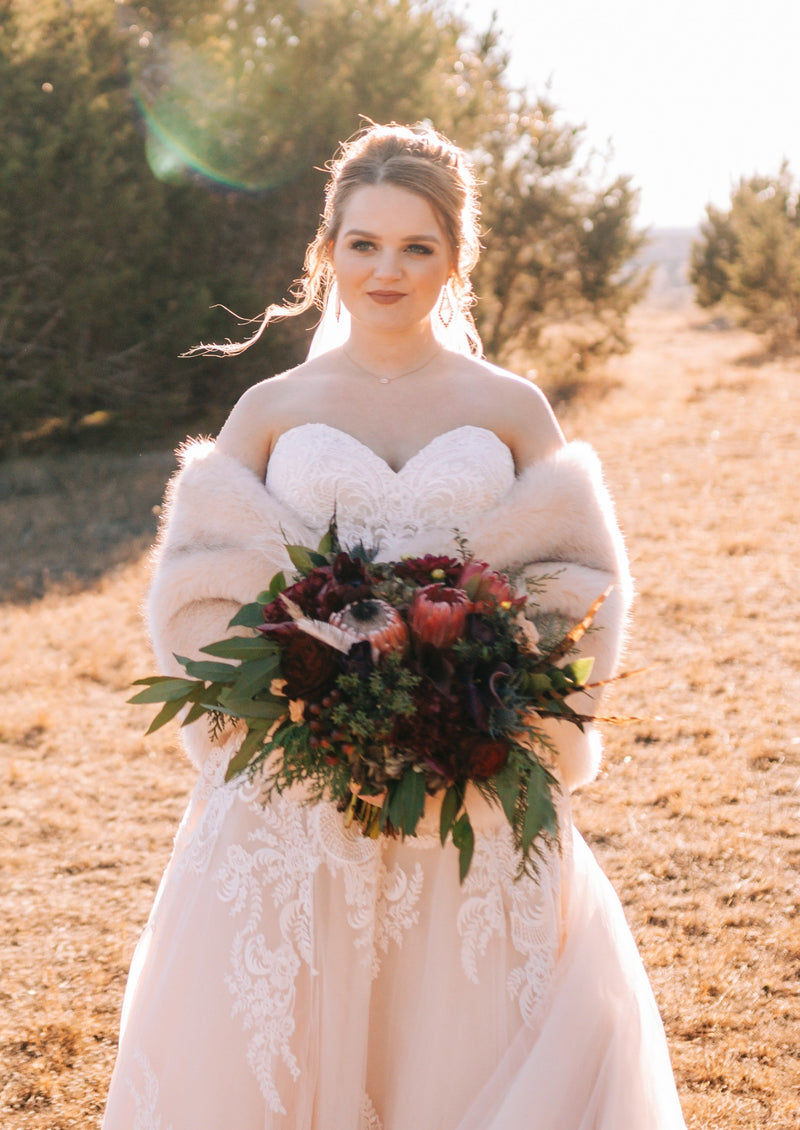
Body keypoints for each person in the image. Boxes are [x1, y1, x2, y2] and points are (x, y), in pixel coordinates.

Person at [102, 123, 687, 1129]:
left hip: (466, 774)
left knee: (454, 1044)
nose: (387, 269)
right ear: (326, 250)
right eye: (363, 242)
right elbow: (200, 588)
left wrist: (490, 705)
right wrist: (299, 697)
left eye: (416, 245)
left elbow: (574, 581)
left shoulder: (508, 408)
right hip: (298, 787)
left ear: (454, 257)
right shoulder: (271, 407)